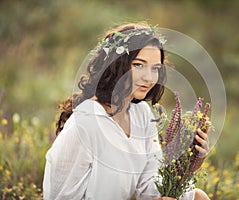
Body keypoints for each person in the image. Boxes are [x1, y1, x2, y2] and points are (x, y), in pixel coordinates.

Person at [43, 22, 210, 200]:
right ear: (117, 66)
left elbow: (149, 187)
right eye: (138, 65)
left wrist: (190, 164)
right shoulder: (85, 124)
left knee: (198, 197)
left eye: (155, 68)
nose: (149, 77)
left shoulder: (142, 115)